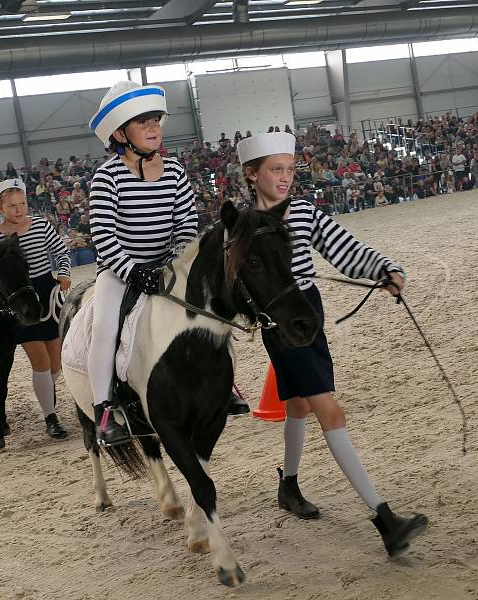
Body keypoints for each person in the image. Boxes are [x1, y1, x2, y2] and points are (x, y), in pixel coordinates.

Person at [236, 132, 428, 558]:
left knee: (299, 405)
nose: (285, 177)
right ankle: (386, 521)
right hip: (283, 325)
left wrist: (384, 268)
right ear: (252, 174)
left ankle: (288, 486)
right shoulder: (242, 227)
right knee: (329, 409)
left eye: (289, 169)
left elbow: (344, 248)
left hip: (310, 313)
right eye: (275, 169)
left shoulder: (304, 212)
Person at [87, 81, 198, 446]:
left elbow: (186, 224)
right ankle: (104, 412)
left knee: (205, 308)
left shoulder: (176, 171)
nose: (154, 128)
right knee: (105, 328)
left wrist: (175, 262)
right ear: (121, 134)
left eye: (156, 121)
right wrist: (133, 270)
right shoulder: (106, 177)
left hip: (165, 264)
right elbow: (103, 235)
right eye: (143, 123)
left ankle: (223, 383)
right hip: (120, 270)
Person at [0, 179, 70, 440]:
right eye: (12, 206)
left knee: (56, 364)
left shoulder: (42, 225)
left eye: (22, 204)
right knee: (41, 363)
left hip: (47, 293)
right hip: (20, 299)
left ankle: (46, 394)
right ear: (0, 207)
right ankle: (50, 417)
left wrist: (64, 273)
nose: (19, 210)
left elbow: (61, 252)